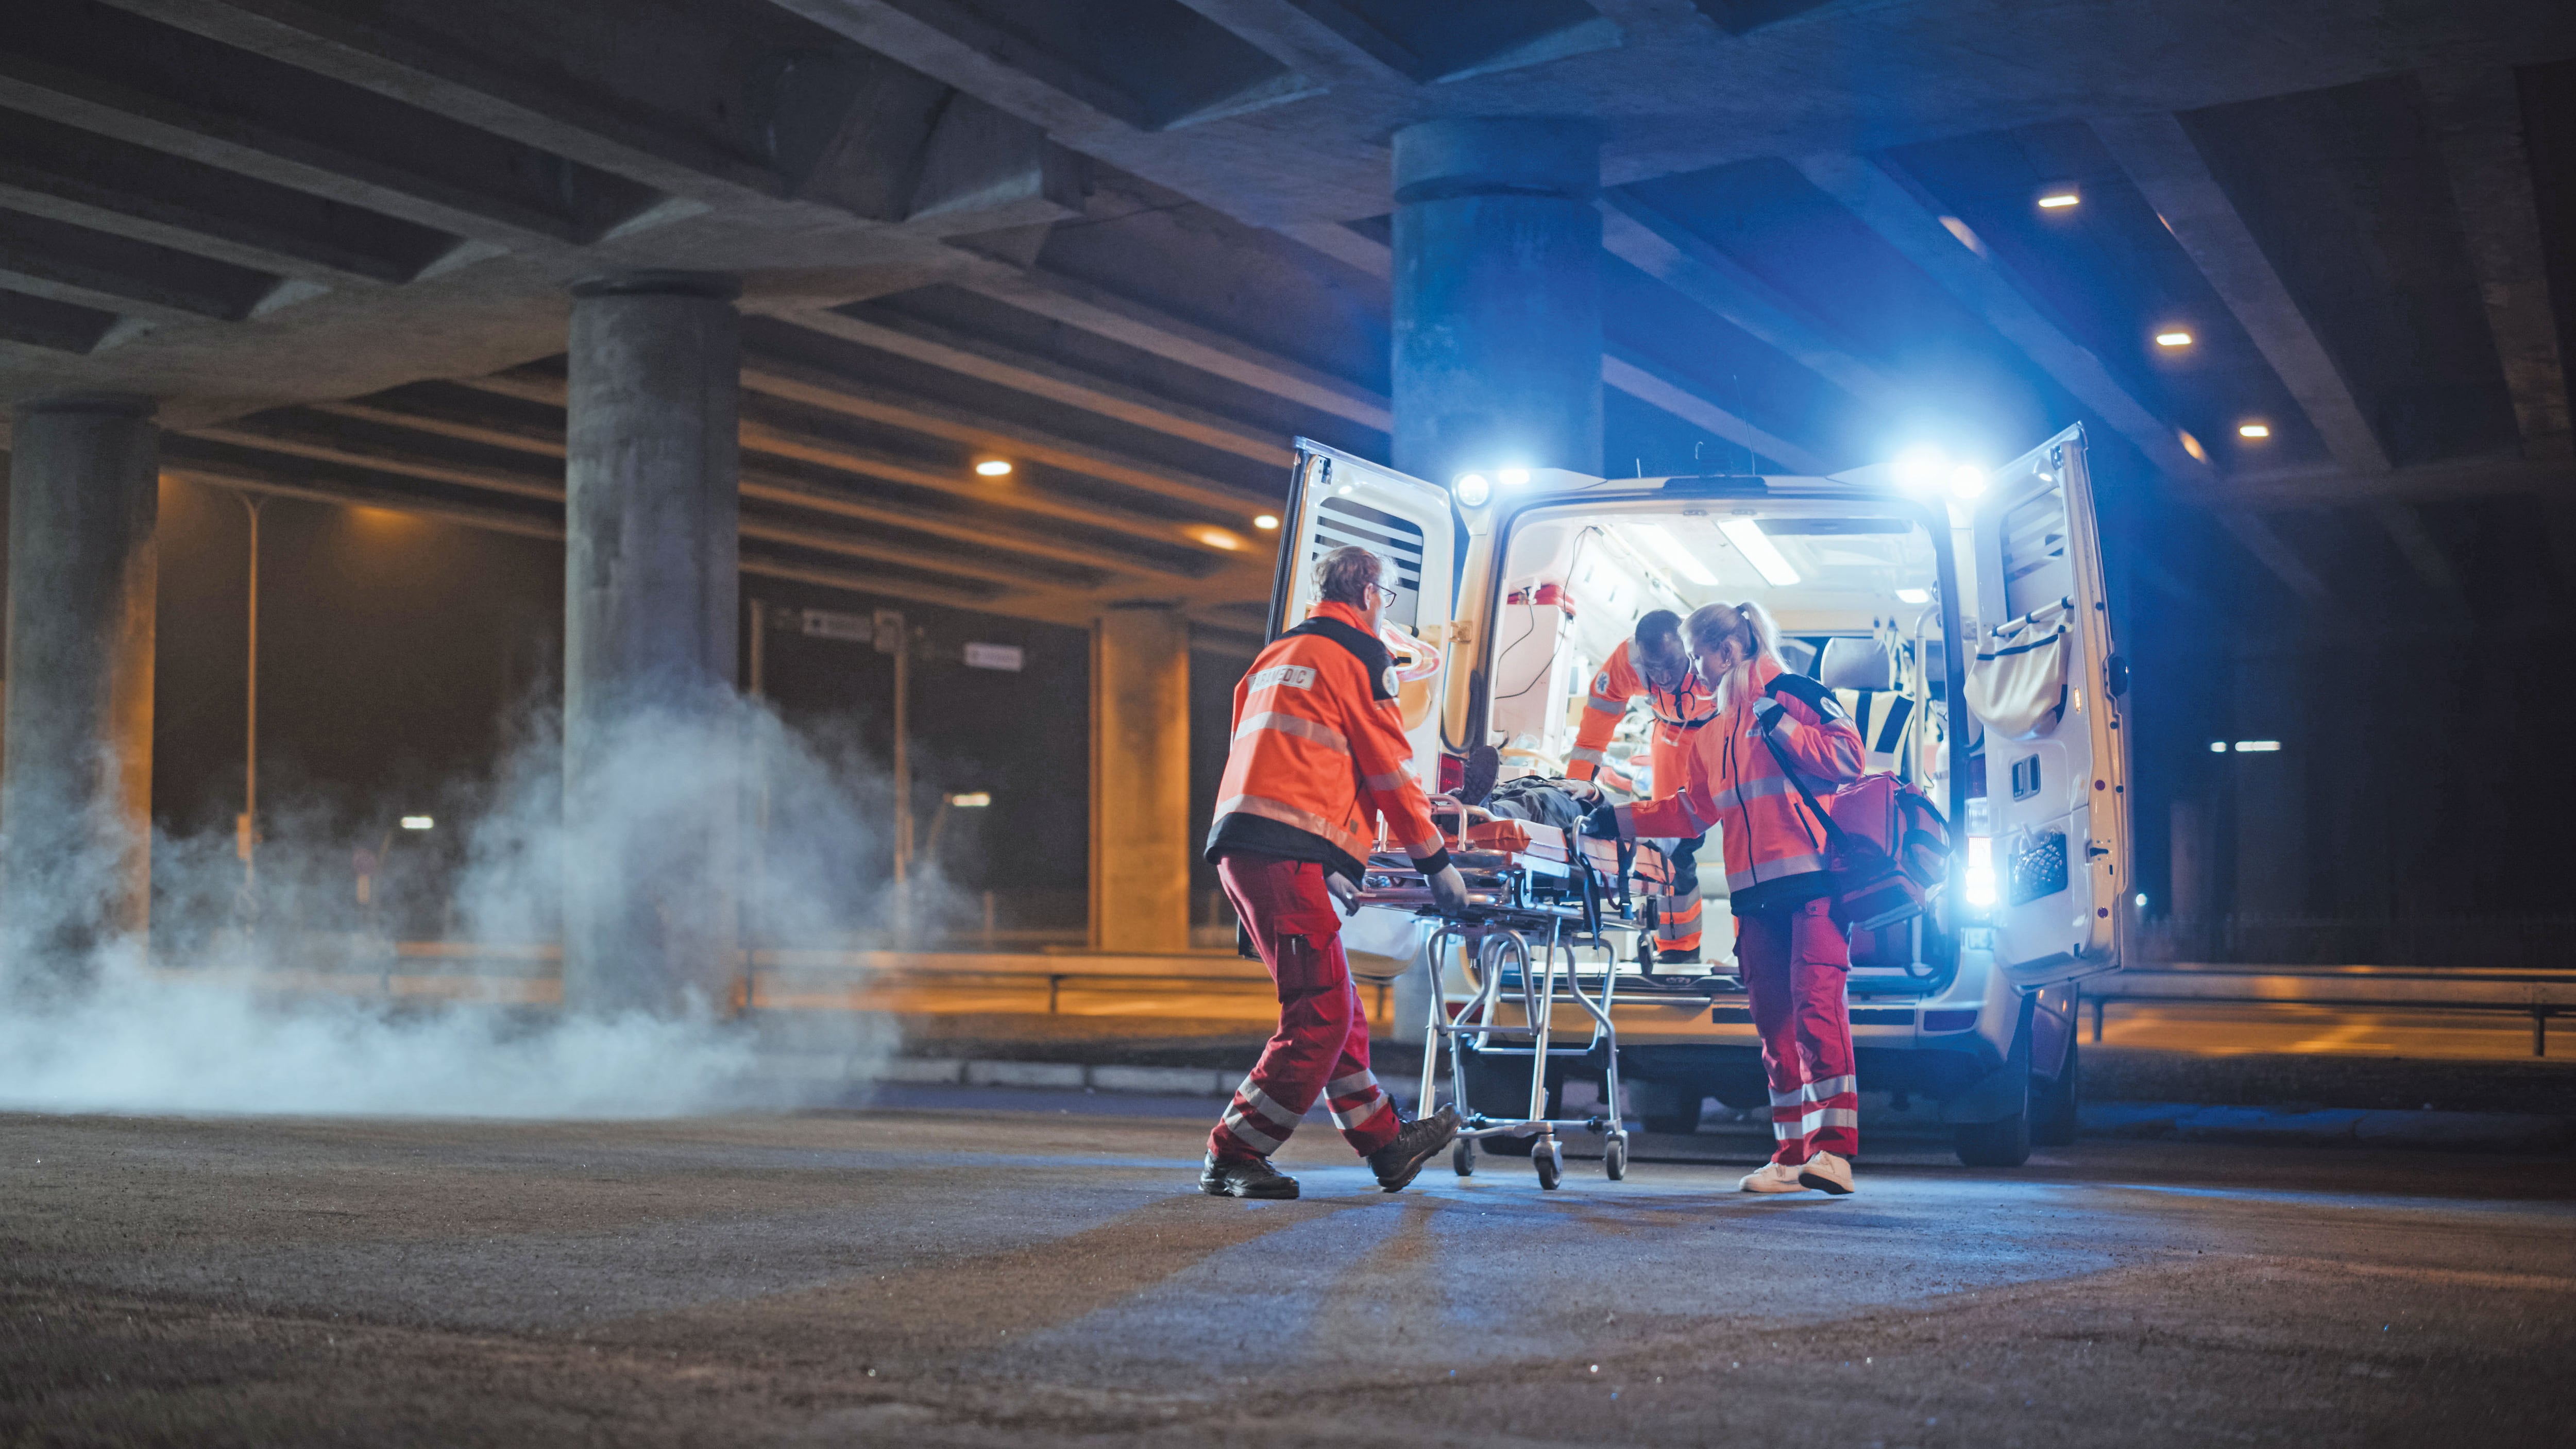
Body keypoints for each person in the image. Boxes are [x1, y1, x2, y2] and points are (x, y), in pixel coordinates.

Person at [1198, 543, 1467, 1200]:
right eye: (1390, 597)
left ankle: (1385, 1142)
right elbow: (1388, 773)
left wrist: (1329, 858)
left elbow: (1269, 759)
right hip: (1283, 854)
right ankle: (1234, 1151)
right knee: (1318, 1014)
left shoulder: (1275, 655)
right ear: (1371, 593)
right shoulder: (1360, 658)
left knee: (1338, 1008)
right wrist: (1436, 863)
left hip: (1249, 845)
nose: (1388, 610)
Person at [1586, 600, 1867, 1195]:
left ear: (1728, 650)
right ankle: (1789, 1155)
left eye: (1699, 656)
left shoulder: (1794, 691)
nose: (1696, 669)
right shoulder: (1710, 730)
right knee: (1773, 1027)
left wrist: (1781, 725)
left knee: (1818, 1010)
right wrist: (1617, 820)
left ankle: (1834, 1153)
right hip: (1753, 897)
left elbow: (1847, 755)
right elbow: (1690, 812)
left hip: (1812, 884)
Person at [1566, 610, 1720, 964]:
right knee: (1671, 848)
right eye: (1655, 668)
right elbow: (1595, 729)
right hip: (1671, 741)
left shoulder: (1709, 655)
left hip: (1722, 733)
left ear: (1689, 650)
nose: (1664, 677)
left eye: (1672, 665)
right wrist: (1577, 787)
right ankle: (1678, 953)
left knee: (1746, 843)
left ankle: (1753, 953)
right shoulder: (1628, 662)